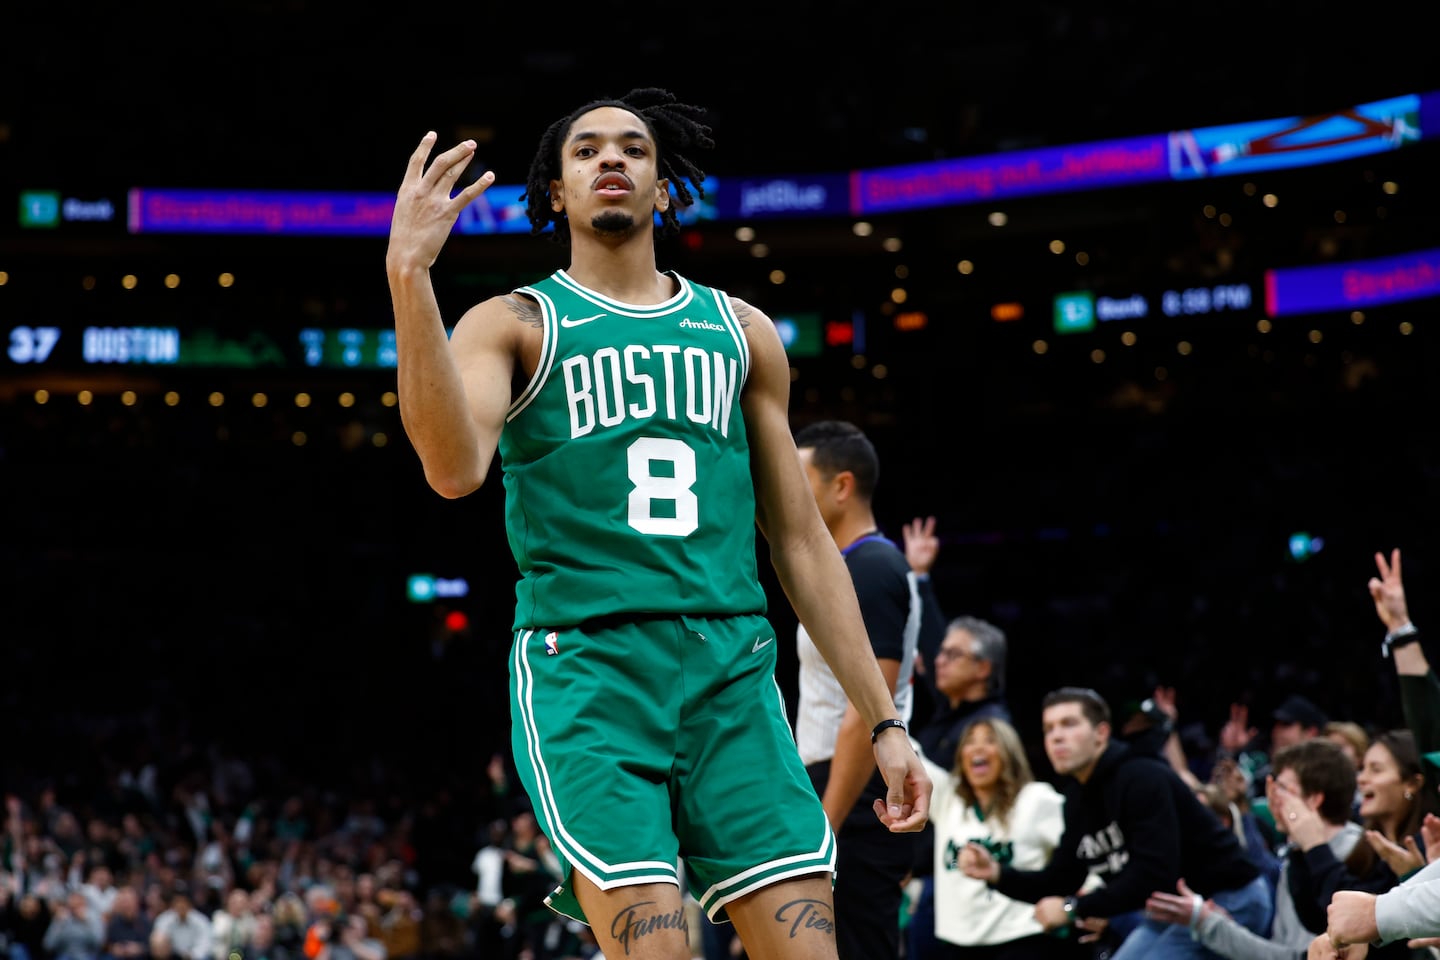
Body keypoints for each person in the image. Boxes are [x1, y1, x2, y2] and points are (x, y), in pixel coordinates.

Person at [384, 87, 931, 960]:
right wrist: (411, 279)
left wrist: (885, 722)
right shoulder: (513, 322)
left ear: (664, 188)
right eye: (587, 150)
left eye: (635, 150)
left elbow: (799, 543)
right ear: (556, 192)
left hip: (732, 671)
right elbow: (453, 472)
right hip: (591, 672)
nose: (613, 160)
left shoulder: (741, 331)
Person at [960, 686, 1270, 959]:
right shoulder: (1077, 800)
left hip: (1229, 897)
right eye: (1049, 728)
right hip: (1170, 912)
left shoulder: (1141, 777)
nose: (1056, 736)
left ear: (1101, 733)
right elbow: (1063, 877)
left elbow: (1153, 873)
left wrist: (1072, 909)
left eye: (1068, 724)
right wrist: (998, 875)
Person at [791, 419, 923, 960]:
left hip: (856, 794)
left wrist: (827, 824)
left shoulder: (870, 567)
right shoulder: (854, 565)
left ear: (841, 485)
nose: (788, 490)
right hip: (841, 787)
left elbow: (868, 715)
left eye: (802, 479)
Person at [916, 716, 1079, 958]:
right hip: (955, 944)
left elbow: (1084, 850)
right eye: (970, 742)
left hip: (1022, 939)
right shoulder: (949, 799)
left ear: (1009, 753)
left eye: (990, 741)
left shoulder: (1036, 799)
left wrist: (1082, 905)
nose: (978, 748)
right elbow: (907, 751)